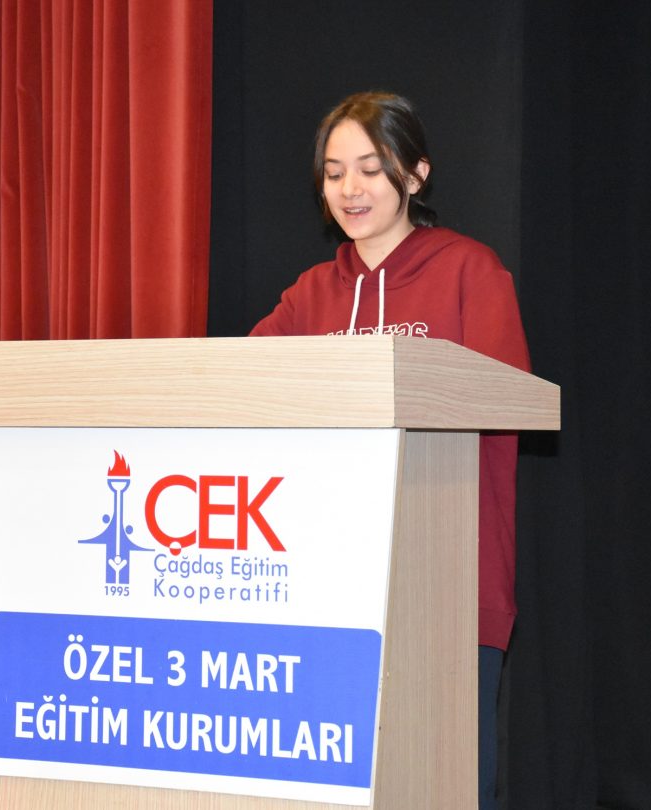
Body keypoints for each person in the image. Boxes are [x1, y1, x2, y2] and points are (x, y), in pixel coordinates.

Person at [250, 91, 531, 810]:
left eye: (371, 169)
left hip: (449, 582)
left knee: (445, 785)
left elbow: (507, 399)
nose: (350, 187)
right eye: (334, 172)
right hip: (327, 589)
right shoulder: (311, 295)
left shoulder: (469, 270)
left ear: (415, 174)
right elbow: (239, 384)